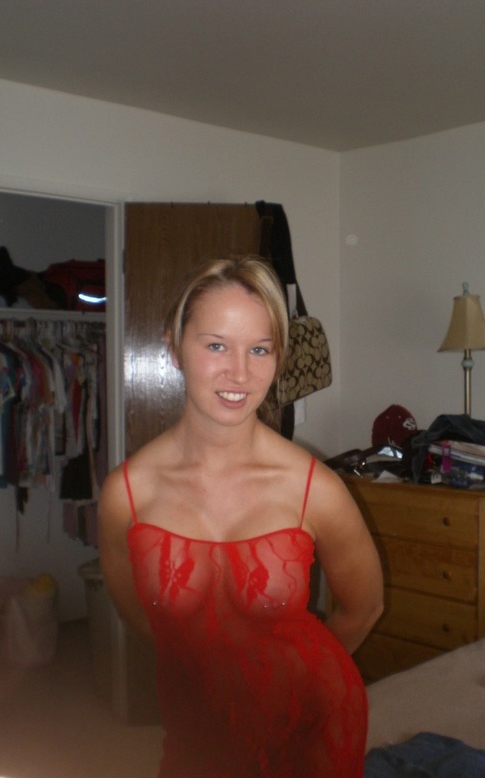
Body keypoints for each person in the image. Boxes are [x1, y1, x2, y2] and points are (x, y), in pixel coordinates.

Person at [98, 255, 384, 777]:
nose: (240, 373)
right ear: (174, 346)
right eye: (216, 346)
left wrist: (291, 686)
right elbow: (139, 617)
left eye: (259, 349)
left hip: (308, 725)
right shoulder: (127, 495)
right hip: (198, 730)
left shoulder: (314, 489)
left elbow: (363, 609)